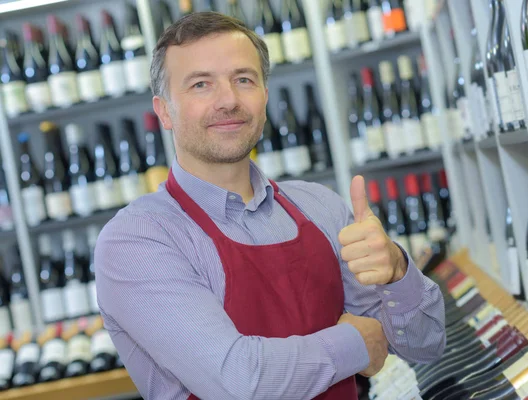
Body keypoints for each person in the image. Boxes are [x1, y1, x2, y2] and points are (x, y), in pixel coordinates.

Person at [95, 11, 445, 400]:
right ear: (164, 111)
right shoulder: (138, 241)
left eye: (243, 80)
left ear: (263, 95)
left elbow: (425, 344)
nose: (228, 100)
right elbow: (238, 381)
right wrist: (356, 341)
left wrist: (397, 270)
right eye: (200, 85)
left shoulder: (320, 207)